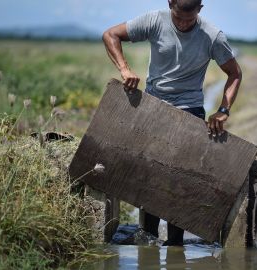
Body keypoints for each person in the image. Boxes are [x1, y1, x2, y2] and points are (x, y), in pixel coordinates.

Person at [102, 0, 242, 246]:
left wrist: (223, 110)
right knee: (150, 174)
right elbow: (110, 34)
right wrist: (125, 69)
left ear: (200, 9)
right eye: (178, 18)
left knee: (180, 180)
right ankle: (149, 237)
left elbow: (234, 73)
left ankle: (176, 243)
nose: (183, 24)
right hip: (154, 106)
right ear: (170, 4)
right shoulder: (155, 20)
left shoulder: (212, 36)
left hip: (190, 110)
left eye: (189, 19)